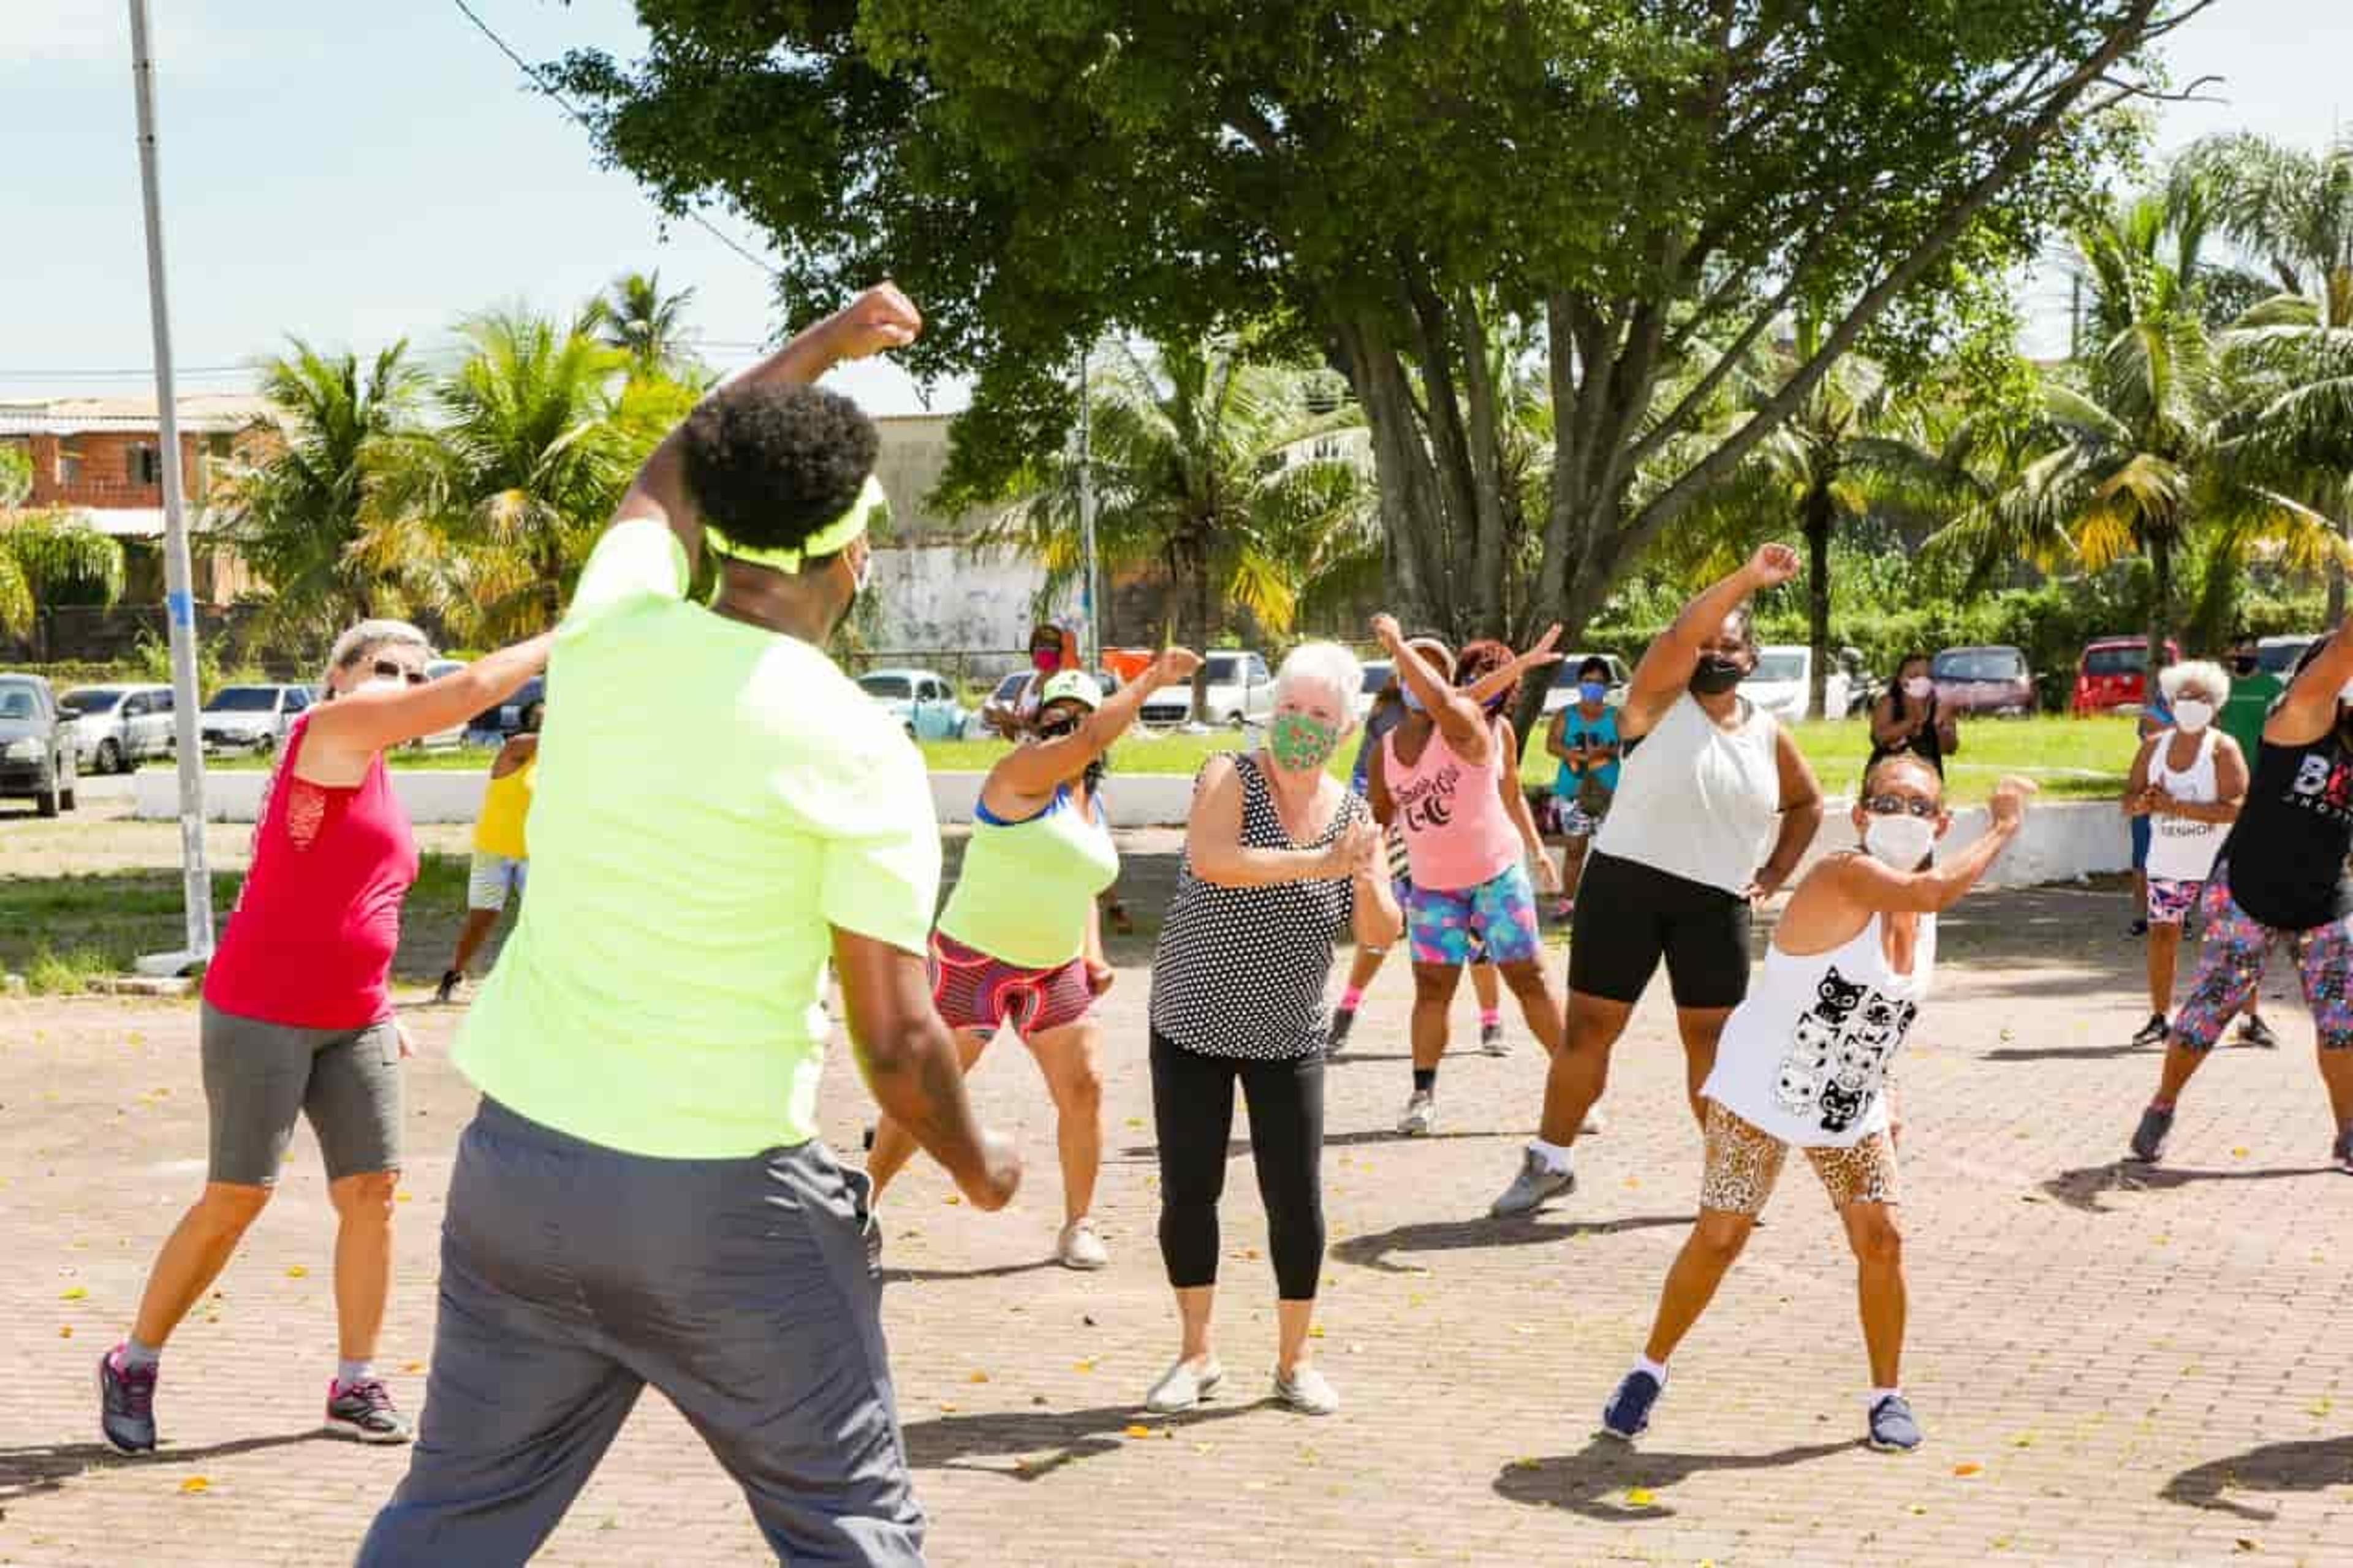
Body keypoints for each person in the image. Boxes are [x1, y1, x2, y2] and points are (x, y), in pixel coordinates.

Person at [357, 284, 1020, 1566]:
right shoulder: (856, 744)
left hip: (521, 1176)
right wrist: (983, 1168)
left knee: (452, 1523)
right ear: (856, 556)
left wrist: (825, 342)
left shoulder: (610, 630)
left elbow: (673, 461)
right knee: (853, 1531)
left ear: (719, 532)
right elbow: (897, 1039)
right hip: (725, 1208)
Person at [98, 622, 550, 1456]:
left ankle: (355, 1377)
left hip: (357, 1017)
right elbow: (468, 692)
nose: (404, 682)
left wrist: (379, 1001)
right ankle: (134, 1359)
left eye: (416, 672)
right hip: (261, 1009)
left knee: (372, 1190)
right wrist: (569, 632)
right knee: (239, 1194)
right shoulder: (327, 730)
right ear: (338, 676)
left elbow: (355, 894)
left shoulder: (373, 768)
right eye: (386, 668)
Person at [1599, 759, 2037, 1454]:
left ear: (1940, 822)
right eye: (1885, 801)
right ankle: (1647, 1370)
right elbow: (1933, 890)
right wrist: (2005, 824)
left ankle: (1886, 1396)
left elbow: (1885, 1008)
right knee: (1721, 1236)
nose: (1901, 813)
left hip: (1846, 1101)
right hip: (1759, 1094)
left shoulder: (1918, 916)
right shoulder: (1843, 874)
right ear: (1860, 817)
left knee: (1882, 1238)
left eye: (1918, 805)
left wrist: (1885, 1089)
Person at [1493, 544, 1826, 1217]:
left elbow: (1808, 804)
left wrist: (1774, 875)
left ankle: (1729, 1180)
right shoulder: (1655, 703)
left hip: (1715, 904)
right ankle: (1551, 1161)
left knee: (1713, 1044)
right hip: (1627, 888)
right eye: (1707, 644)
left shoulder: (1767, 733)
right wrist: (1745, 582)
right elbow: (1680, 634)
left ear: (1751, 662)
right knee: (1589, 1032)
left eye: (1729, 647)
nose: (1713, 654)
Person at [866, 648, 1203, 1270]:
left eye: (1082, 720)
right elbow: (1099, 732)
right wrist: (1152, 678)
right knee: (928, 1094)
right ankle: (863, 1205)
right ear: (1036, 727)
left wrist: (1092, 952)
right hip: (977, 959)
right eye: (1058, 720)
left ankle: (1078, 1225)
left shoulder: (1088, 804)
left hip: (1053, 970)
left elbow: (1079, 885)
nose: (1071, 731)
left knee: (1085, 1087)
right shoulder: (1018, 775)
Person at [1141, 642, 1403, 1418]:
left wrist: (1360, 872)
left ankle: (1294, 1362)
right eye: (1290, 709)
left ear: (1346, 727)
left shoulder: (1355, 815)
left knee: (1296, 1200)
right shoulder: (1230, 774)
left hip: (1288, 1035)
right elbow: (1214, 859)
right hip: (1193, 1020)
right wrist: (1317, 862)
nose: (1300, 725)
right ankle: (1196, 1353)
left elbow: (1381, 930)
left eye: (1318, 715)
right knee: (1192, 1191)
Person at [2128, 628, 2353, 1176]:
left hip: (2323, 901)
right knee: (2211, 1008)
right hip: (2250, 893)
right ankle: (2163, 1103)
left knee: (2342, 1020)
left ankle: (2348, 1133)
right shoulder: (2299, 715)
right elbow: (2344, 650)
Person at [1369, 621, 1568, 1135]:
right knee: (1432, 990)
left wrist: (1397, 644)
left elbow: (1455, 707)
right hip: (1434, 888)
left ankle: (1575, 1088)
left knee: (1528, 980)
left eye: (1436, 672)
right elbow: (1379, 821)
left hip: (1495, 880)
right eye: (1414, 670)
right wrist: (1373, 883)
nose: (1423, 681)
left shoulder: (1469, 728)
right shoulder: (1384, 751)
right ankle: (1422, 1095)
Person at [1329, 638, 1452, 1056]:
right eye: (1409, 666)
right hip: (1397, 835)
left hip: (1444, 839)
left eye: (1428, 668)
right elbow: (1365, 775)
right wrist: (1367, 824)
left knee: (1467, 940)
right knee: (1383, 929)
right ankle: (1347, 1008)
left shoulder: (1450, 717)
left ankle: (1489, 1021)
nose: (1417, 675)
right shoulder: (1386, 714)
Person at [2121, 661, 2246, 1047]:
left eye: (2201, 698)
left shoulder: (2222, 748)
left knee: (2234, 943)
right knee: (2162, 935)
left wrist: (2176, 806)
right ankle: (2160, 1016)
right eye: (2185, 697)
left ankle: (2249, 1018)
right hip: (2169, 862)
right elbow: (2129, 802)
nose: (2191, 704)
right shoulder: (2153, 747)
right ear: (2172, 701)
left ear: (2216, 704)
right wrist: (2143, 803)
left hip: (2219, 864)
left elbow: (2237, 806)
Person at [434, 700, 542, 1004]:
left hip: (533, 853)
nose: (547, 716)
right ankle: (455, 972)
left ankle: (533, 982)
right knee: (483, 917)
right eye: (540, 713)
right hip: (495, 848)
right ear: (529, 721)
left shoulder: (558, 762)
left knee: (540, 918)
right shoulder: (514, 749)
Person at [2213, 632, 2286, 1049]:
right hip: (2219, 796)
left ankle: (2250, 1016)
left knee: (2249, 914)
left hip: (2259, 793)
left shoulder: (2272, 689)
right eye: (2233, 653)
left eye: (2246, 654)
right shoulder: (2221, 691)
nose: (2239, 659)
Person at [1544, 655, 1625, 915]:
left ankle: (1608, 904)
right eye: (1588, 681)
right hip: (1573, 793)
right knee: (1575, 850)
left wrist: (1608, 753)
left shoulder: (1616, 717)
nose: (1593, 687)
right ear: (1579, 683)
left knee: (1609, 853)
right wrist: (1582, 757)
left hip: (1609, 794)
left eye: (1599, 683)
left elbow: (1626, 746)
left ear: (1607, 687)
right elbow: (1552, 745)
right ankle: (1568, 901)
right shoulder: (1565, 715)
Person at [2129, 680, 2176, 937]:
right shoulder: (2151, 716)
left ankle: (2174, 915)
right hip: (2148, 795)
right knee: (2143, 859)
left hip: (2179, 796)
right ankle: (2142, 916)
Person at [1866, 654, 1959, 778]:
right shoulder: (1888, 702)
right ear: (1901, 679)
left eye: (1927, 676)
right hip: (1887, 778)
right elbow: (1880, 738)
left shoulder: (1942, 706)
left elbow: (1949, 749)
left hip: (1927, 779)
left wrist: (1940, 725)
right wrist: (1913, 720)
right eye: (1914, 675)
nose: (1921, 681)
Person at [983, 621, 1075, 739]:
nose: (1043, 650)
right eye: (1039, 646)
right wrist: (1002, 720)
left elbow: (1049, 733)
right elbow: (1014, 736)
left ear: (1060, 651)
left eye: (1050, 646)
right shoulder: (1025, 685)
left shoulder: (1064, 685)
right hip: (1026, 754)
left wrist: (1013, 720)